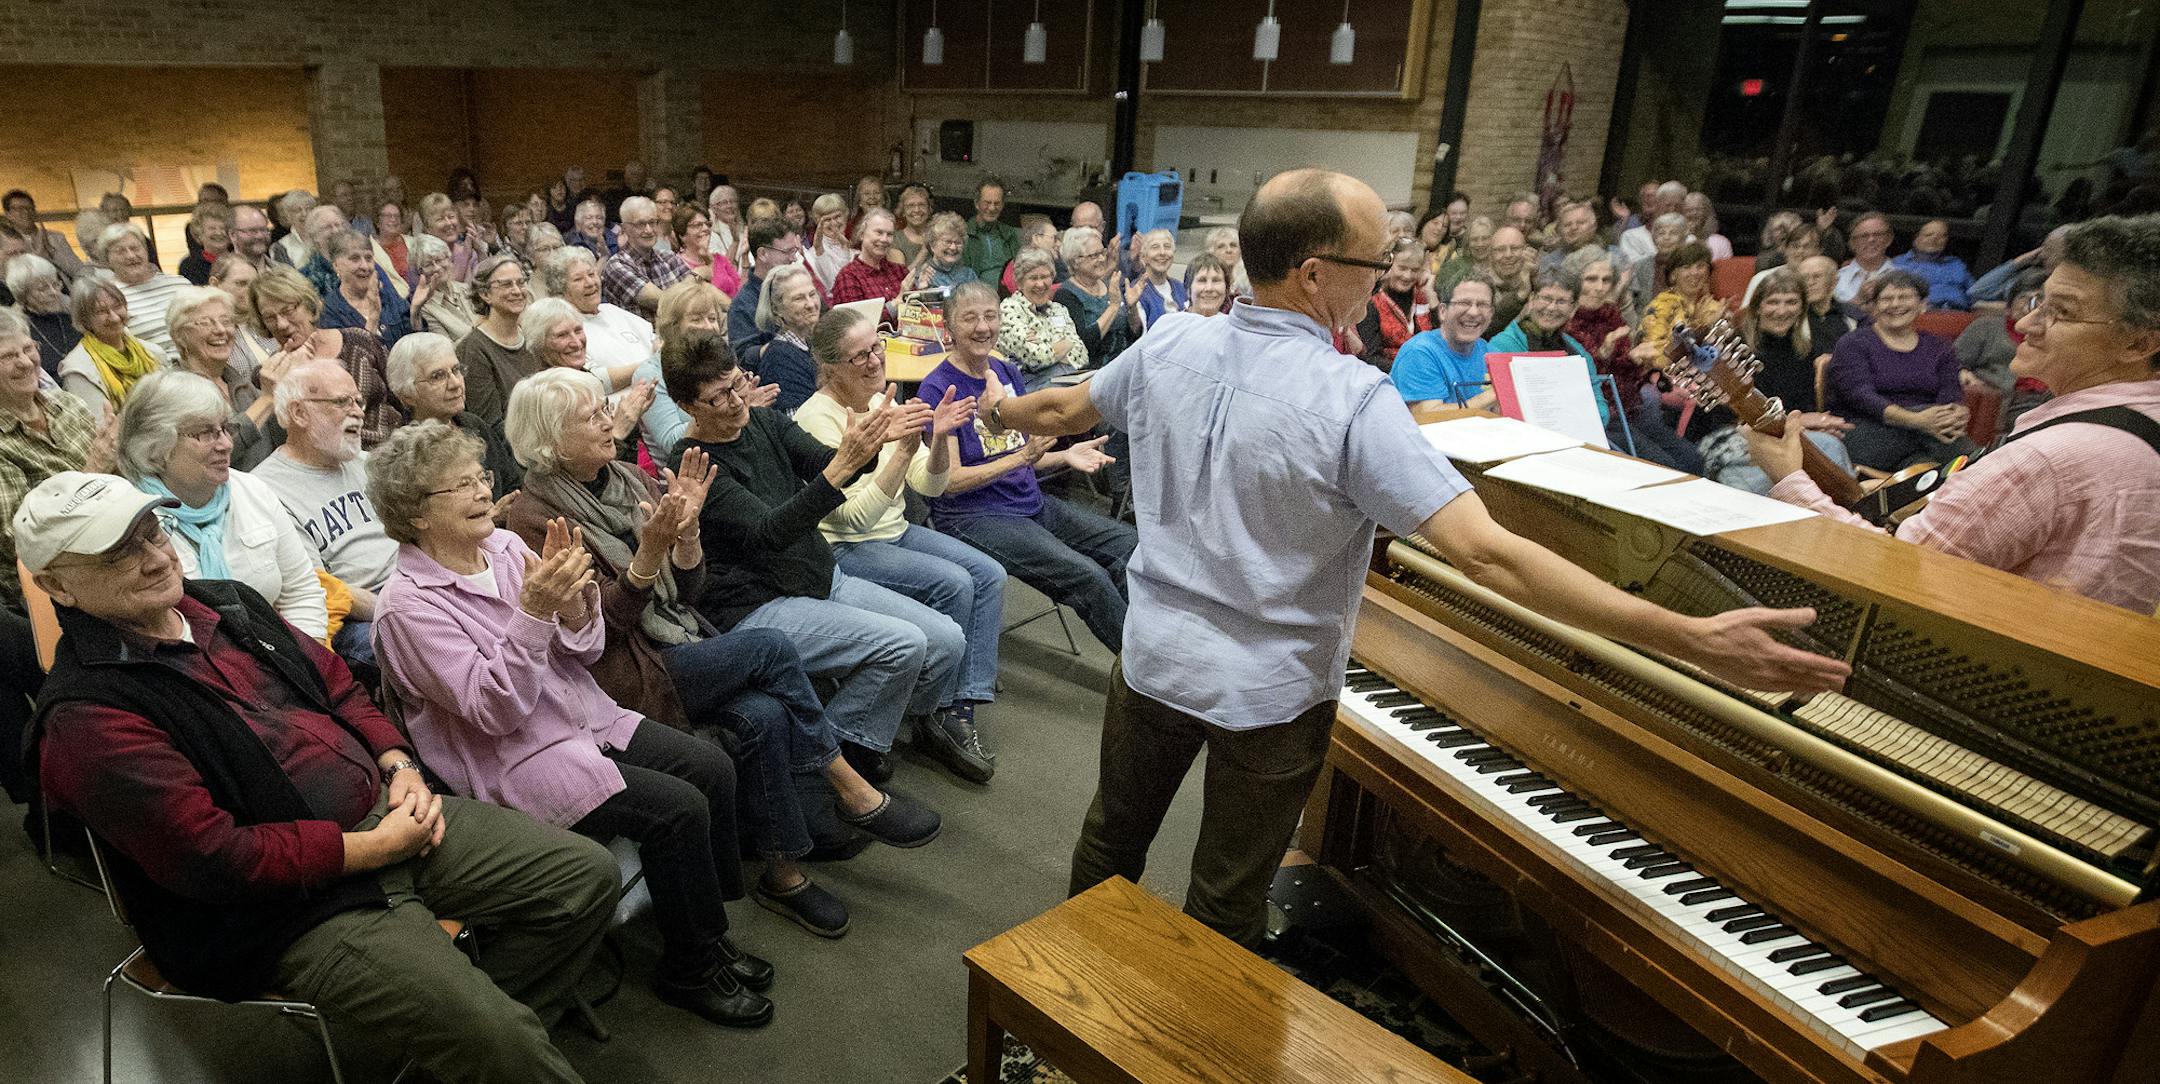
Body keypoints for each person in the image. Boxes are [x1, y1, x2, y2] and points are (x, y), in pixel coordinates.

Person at [976, 167, 1849, 946]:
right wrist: (1687, 637)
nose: (1391, 273)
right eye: (1373, 261)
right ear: (1315, 273)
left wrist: (998, 413)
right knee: (1226, 899)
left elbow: (1062, 411)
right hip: (1267, 693)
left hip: (1155, 654)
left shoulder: (1176, 341)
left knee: (1110, 841)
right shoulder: (1355, 401)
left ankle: (1070, 1000)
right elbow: (1491, 559)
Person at [19, 471, 618, 1083]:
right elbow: (215, 858)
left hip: (388, 813)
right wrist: (373, 847)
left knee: (585, 879)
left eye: (152, 532)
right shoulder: (88, 717)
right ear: (56, 586)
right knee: (498, 1036)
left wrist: (399, 763)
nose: (154, 558)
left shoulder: (225, 603)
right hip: (286, 910)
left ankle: (462, 1050)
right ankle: (486, 1043)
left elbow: (337, 686)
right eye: (119, 553)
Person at [365, 422, 774, 1027]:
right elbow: (492, 710)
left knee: (711, 767)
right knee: (678, 808)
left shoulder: (502, 549)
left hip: (581, 716)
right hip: (516, 760)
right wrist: (533, 614)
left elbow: (583, 652)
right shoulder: (407, 607)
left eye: (481, 476)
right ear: (416, 515)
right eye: (461, 486)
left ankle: (701, 933)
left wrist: (577, 599)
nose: (483, 491)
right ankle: (688, 969)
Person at [503, 369, 942, 910]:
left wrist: (686, 541)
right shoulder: (534, 516)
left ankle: (782, 873)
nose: (607, 420)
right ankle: (848, 787)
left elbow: (688, 593)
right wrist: (647, 558)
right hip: (621, 673)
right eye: (588, 416)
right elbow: (595, 636)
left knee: (765, 712)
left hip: (677, 644)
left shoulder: (628, 478)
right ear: (548, 441)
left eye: (602, 408)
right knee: (770, 646)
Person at [1750, 214, 2160, 614]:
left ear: (2139, 343)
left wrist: (1790, 480)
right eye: (2038, 301)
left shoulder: (2043, 460)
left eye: (2062, 311)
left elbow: (1893, 570)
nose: (2028, 321)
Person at [662, 331, 982, 782]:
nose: (737, 401)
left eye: (737, 384)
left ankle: (862, 736)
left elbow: (829, 462)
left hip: (818, 576)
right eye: (719, 397)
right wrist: (843, 465)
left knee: (947, 640)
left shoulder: (762, 422)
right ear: (687, 407)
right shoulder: (693, 464)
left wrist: (868, 444)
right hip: (758, 602)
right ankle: (824, 764)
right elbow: (770, 531)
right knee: (904, 645)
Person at [795, 308, 1004, 750]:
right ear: (830, 368)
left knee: (989, 575)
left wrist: (939, 439)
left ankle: (956, 704)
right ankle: (932, 713)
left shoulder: (876, 402)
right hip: (846, 547)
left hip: (890, 531)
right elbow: (851, 521)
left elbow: (929, 485)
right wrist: (904, 451)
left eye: (877, 347)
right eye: (859, 356)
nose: (874, 360)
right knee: (956, 583)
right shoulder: (818, 421)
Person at [917, 283, 1134, 654]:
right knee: (1089, 577)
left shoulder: (1006, 372)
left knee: (1131, 547)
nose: (983, 327)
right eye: (969, 318)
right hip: (974, 517)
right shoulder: (938, 390)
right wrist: (1023, 458)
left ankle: (1160, 657)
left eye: (991, 316)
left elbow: (1024, 455)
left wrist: (1063, 456)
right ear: (948, 329)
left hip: (1030, 504)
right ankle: (1144, 681)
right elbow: (950, 482)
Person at [116, 369, 327, 636]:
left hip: (279, 657)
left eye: (225, 428)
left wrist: (304, 660)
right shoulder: (133, 522)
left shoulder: (252, 491)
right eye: (206, 433)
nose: (226, 444)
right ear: (157, 445)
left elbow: (302, 593)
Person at [249, 360, 399, 667]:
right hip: (353, 616)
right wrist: (403, 608)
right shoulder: (265, 490)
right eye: (342, 402)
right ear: (299, 413)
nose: (358, 411)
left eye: (358, 401)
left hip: (412, 587)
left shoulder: (368, 463)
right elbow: (318, 588)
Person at [1695, 272, 1855, 494]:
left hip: (1785, 432)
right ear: (1758, 307)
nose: (1782, 311)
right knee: (1828, 448)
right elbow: (1726, 417)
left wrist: (1814, 423)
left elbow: (1804, 407)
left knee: (1829, 445)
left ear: (1801, 308)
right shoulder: (1733, 347)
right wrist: (1801, 421)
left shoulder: (1804, 350)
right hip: (1732, 436)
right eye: (1773, 302)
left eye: (1791, 302)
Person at [0, 310, 103, 611]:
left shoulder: (68, 405)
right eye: (7, 356)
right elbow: (17, 539)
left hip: (110, 543)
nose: (25, 362)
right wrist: (94, 471)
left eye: (29, 348)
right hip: (53, 584)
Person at [1824, 270, 1975, 471]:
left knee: (1927, 468)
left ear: (1923, 305)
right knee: (1946, 446)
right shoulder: (1853, 343)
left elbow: (1950, 393)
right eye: (1886, 299)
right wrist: (1917, 420)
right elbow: (1860, 396)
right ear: (1875, 308)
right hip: (1863, 431)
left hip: (1924, 437)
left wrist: (1955, 413)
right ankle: (1978, 465)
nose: (1895, 304)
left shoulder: (1940, 347)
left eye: (1904, 297)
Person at [248, 264, 399, 446]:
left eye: (288, 311)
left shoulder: (359, 341)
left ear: (309, 305)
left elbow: (398, 397)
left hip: (390, 450)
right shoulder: (269, 376)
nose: (281, 324)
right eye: (270, 317)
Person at [386, 333, 519, 496]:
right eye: (437, 376)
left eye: (456, 370)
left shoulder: (474, 425)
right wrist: (492, 516)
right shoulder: (405, 454)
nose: (456, 383)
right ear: (406, 395)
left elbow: (512, 484)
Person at [164, 286, 280, 470]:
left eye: (226, 321)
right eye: (206, 323)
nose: (220, 330)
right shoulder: (175, 392)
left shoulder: (239, 383)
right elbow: (214, 451)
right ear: (179, 336)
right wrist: (266, 400)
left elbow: (278, 440)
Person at [543, 247, 656, 386]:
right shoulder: (567, 331)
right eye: (578, 279)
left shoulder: (612, 310)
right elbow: (597, 380)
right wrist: (652, 365)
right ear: (560, 289)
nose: (590, 283)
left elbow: (656, 340)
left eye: (591, 274)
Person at [57, 278, 161, 418]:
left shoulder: (152, 352)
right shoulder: (78, 370)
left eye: (118, 306)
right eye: (101, 311)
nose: (114, 317)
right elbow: (100, 425)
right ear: (84, 320)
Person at [458, 253, 541, 427]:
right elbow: (490, 425)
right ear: (485, 294)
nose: (517, 291)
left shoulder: (531, 335)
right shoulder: (474, 349)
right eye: (506, 285)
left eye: (521, 282)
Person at [1392, 275, 1496, 406]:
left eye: (1482, 305)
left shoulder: (1488, 352)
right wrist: (1497, 393)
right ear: (1442, 311)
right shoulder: (1419, 352)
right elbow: (1428, 417)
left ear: (1491, 314)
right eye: (1464, 303)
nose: (1474, 312)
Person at [98, 223, 192, 361]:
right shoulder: (107, 298)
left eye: (135, 248)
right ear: (107, 260)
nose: (131, 255)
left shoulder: (179, 284)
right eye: (120, 251)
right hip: (150, 374)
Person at [1052, 225, 1139, 369]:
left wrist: (1132, 307)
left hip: (1124, 364)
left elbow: (1133, 335)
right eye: (1094, 255)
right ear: (1075, 261)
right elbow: (1084, 345)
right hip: (1093, 372)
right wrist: (1113, 307)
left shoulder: (1109, 285)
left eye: (1102, 252)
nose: (1101, 259)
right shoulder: (1066, 295)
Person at [999, 250, 1087, 390]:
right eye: (1033, 278)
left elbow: (1082, 354)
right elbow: (1036, 357)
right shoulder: (1009, 309)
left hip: (1067, 379)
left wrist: (1046, 346)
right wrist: (1065, 345)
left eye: (1045, 276)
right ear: (1020, 282)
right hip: (1027, 387)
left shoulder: (1059, 309)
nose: (1040, 284)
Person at [1632, 242, 1725, 368]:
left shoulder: (1714, 307)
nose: (1694, 273)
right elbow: (1654, 359)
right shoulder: (1661, 307)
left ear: (1708, 273)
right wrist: (1702, 328)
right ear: (1673, 275)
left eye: (1700, 266)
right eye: (1686, 267)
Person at [1956, 267, 2046, 396]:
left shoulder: (2052, 336)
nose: (2028, 306)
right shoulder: (1986, 326)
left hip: (2039, 400)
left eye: (2037, 300)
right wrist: (1962, 372)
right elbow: (1951, 361)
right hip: (1993, 397)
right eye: (2023, 298)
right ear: (2010, 303)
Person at [745, 264, 823, 411]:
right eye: (799, 298)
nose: (811, 304)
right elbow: (797, 420)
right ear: (776, 308)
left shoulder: (812, 344)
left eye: (812, 294)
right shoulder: (779, 358)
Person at [319, 229, 414, 348]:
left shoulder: (387, 295)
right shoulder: (329, 312)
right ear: (336, 266)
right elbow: (351, 360)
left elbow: (413, 339)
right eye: (355, 259)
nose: (365, 266)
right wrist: (373, 319)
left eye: (368, 258)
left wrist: (416, 309)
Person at [1354, 239, 1439, 370]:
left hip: (1428, 371)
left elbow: (1442, 341)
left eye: (1415, 270)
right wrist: (1410, 370)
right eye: (1402, 268)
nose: (1407, 276)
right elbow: (1370, 357)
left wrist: (1430, 295)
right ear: (1389, 265)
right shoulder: (1371, 302)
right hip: (1391, 377)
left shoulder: (1423, 298)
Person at [601, 196, 693, 318]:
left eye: (652, 222)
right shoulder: (617, 265)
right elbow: (662, 302)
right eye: (640, 224)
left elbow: (698, 291)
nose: (649, 230)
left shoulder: (669, 257)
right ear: (624, 229)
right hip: (642, 336)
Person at [728, 218, 802, 357]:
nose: (794, 258)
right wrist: (786, 342)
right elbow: (744, 357)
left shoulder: (800, 288)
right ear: (762, 254)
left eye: (795, 251)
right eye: (788, 251)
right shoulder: (743, 305)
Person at [9, 255, 80, 377]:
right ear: (23, 295)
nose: (54, 292)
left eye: (55, 284)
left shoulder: (70, 316)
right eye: (43, 289)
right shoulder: (17, 330)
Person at [2, 189, 86, 283]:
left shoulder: (55, 237)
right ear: (8, 214)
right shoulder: (10, 245)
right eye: (19, 209)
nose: (26, 212)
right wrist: (39, 258)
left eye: (30, 208)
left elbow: (79, 270)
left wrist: (53, 253)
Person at [830, 209, 908, 310]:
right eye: (879, 232)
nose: (884, 239)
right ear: (862, 234)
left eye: (889, 234)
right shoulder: (848, 276)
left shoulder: (900, 271)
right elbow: (855, 321)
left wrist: (922, 292)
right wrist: (896, 303)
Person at [408, 233, 479, 340]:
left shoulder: (466, 289)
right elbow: (446, 349)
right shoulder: (426, 309)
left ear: (449, 259)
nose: (436, 268)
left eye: (439, 260)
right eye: (428, 264)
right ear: (420, 272)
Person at [1892, 219, 1974, 311]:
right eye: (1929, 235)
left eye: (1942, 236)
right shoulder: (1898, 264)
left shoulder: (1956, 264)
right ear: (1916, 239)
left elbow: (1975, 293)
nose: (1935, 238)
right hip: (1922, 315)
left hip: (1961, 314)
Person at [903, 212, 979, 294]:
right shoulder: (920, 275)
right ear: (932, 245)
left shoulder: (969, 275)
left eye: (958, 243)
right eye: (947, 242)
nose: (953, 247)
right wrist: (922, 291)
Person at [964, 178, 1020, 284]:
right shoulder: (963, 234)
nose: (992, 208)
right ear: (977, 203)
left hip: (1008, 294)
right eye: (987, 203)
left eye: (997, 203)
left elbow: (1020, 268)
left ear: (1002, 205)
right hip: (975, 293)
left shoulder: (1009, 234)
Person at [1618, 180, 1686, 266]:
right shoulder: (1631, 236)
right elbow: (1628, 268)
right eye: (1667, 205)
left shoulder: (1689, 240)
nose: (1672, 210)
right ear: (1655, 205)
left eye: (1677, 206)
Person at [1132, 229, 1187, 330]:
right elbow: (1136, 333)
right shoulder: (1137, 290)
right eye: (1155, 247)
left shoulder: (1180, 287)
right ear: (1143, 257)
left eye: (1167, 246)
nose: (1162, 252)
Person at [1797, 253, 1853, 352]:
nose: (1810, 283)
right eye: (1804, 278)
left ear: (1834, 281)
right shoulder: (1794, 318)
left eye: (1817, 276)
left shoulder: (1853, 316)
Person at [1836, 212, 1895, 305]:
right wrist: (1858, 299)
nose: (1871, 240)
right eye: (1864, 236)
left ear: (1889, 239)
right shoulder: (1837, 279)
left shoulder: (1905, 274)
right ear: (1852, 243)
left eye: (1877, 234)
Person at [1486, 225, 1534, 330]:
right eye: (1500, 249)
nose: (1508, 255)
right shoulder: (1479, 285)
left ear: (1527, 251)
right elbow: (1484, 329)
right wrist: (1520, 294)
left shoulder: (1538, 282)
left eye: (1515, 248)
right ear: (1491, 255)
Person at [804, 194, 854, 297]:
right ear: (817, 221)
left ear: (845, 215)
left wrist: (845, 247)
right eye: (827, 219)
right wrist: (821, 252)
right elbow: (837, 285)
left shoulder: (856, 251)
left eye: (837, 217)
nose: (834, 223)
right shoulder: (813, 255)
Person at [178, 202, 232, 286]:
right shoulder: (189, 266)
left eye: (223, 228)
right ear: (199, 235)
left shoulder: (242, 259)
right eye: (212, 228)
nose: (219, 233)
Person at [1000, 219, 1060, 294]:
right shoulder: (1020, 263)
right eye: (1054, 238)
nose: (1058, 244)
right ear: (1036, 238)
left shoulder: (1051, 262)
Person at [1681, 192, 1732, 261]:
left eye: (1698, 209)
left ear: (1706, 212)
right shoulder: (1677, 240)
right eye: (1689, 210)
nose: (1694, 213)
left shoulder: (1721, 242)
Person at [891, 183, 933, 265]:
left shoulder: (939, 235)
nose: (917, 210)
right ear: (903, 211)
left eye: (922, 205)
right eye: (910, 205)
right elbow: (900, 277)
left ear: (929, 209)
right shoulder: (896, 240)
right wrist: (924, 252)